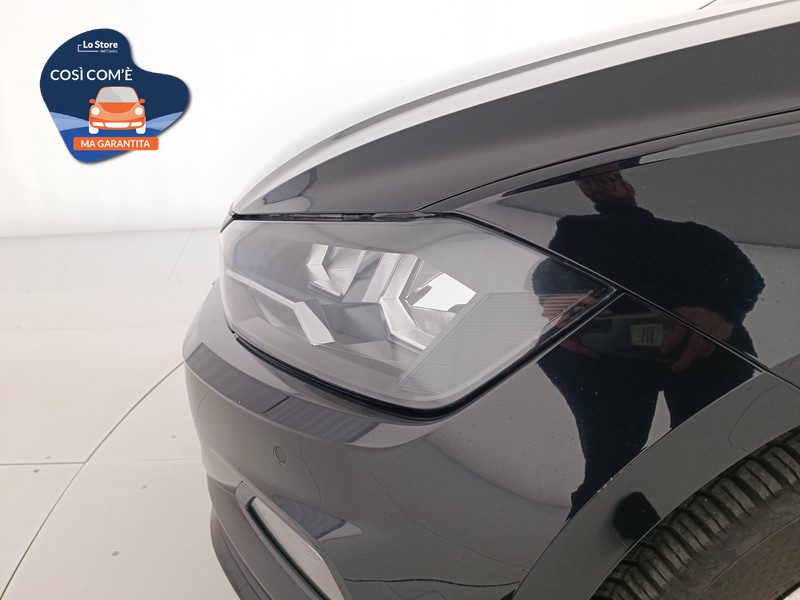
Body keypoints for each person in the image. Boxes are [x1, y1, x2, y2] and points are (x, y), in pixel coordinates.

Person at [532, 164, 765, 516]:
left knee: (708, 451)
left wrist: (720, 312)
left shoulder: (691, 234)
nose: (599, 186)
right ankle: (605, 528)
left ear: (629, 186)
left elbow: (744, 273)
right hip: (605, 353)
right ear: (582, 190)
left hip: (696, 347)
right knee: (609, 466)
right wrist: (557, 297)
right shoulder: (575, 230)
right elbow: (552, 268)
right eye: (590, 183)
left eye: (608, 179)